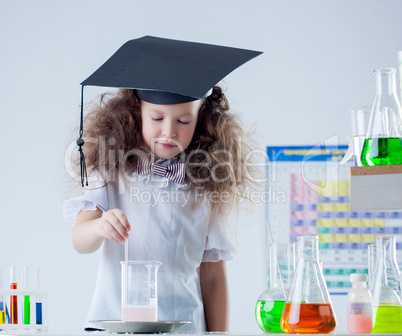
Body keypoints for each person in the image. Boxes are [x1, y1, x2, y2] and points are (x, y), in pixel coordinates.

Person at [63, 36, 262, 332]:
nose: (168, 132)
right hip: (118, 323)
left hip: (185, 324)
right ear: (136, 109)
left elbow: (213, 276)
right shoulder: (109, 169)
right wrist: (99, 226)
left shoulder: (207, 184)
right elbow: (80, 240)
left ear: (202, 116)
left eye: (183, 121)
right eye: (156, 117)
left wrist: (218, 333)